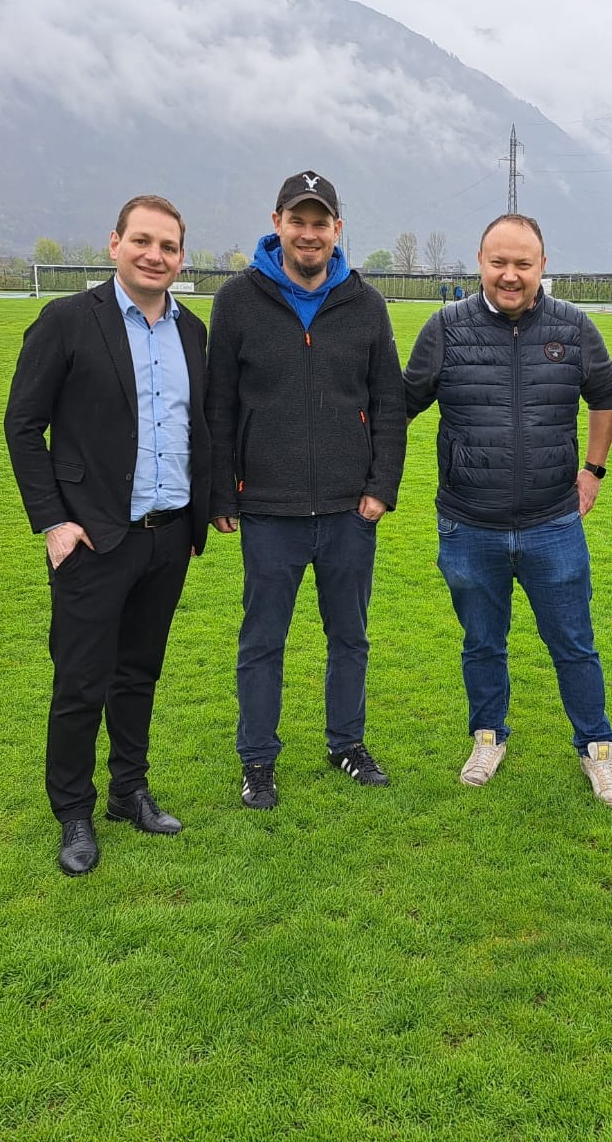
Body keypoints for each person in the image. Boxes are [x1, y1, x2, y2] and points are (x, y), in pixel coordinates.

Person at [4, 195, 210, 875]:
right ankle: (73, 812)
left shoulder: (191, 333)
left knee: (138, 674)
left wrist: (207, 504)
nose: (156, 256)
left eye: (169, 246)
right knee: (81, 681)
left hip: (167, 535)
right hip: (92, 539)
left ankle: (129, 792)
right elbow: (23, 426)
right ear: (115, 243)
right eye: (143, 241)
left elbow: (196, 427)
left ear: (182, 257)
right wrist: (54, 522)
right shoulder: (68, 321)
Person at [403, 213, 612, 805]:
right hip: (468, 522)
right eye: (498, 262)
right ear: (479, 264)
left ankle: (597, 749)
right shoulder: (445, 328)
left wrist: (595, 469)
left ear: (541, 267)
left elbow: (606, 394)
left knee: (574, 642)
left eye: (522, 264)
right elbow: (400, 404)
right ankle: (487, 738)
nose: (510, 275)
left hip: (553, 522)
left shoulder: (573, 328)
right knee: (482, 642)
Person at [207, 171, 407, 810]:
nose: (310, 233)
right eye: (299, 220)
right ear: (278, 223)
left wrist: (381, 487)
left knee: (349, 635)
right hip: (267, 508)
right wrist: (221, 493)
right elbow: (219, 405)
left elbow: (388, 403)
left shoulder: (366, 304)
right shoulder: (238, 301)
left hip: (351, 508)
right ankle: (258, 759)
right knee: (262, 639)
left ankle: (346, 742)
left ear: (337, 230)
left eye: (321, 222)